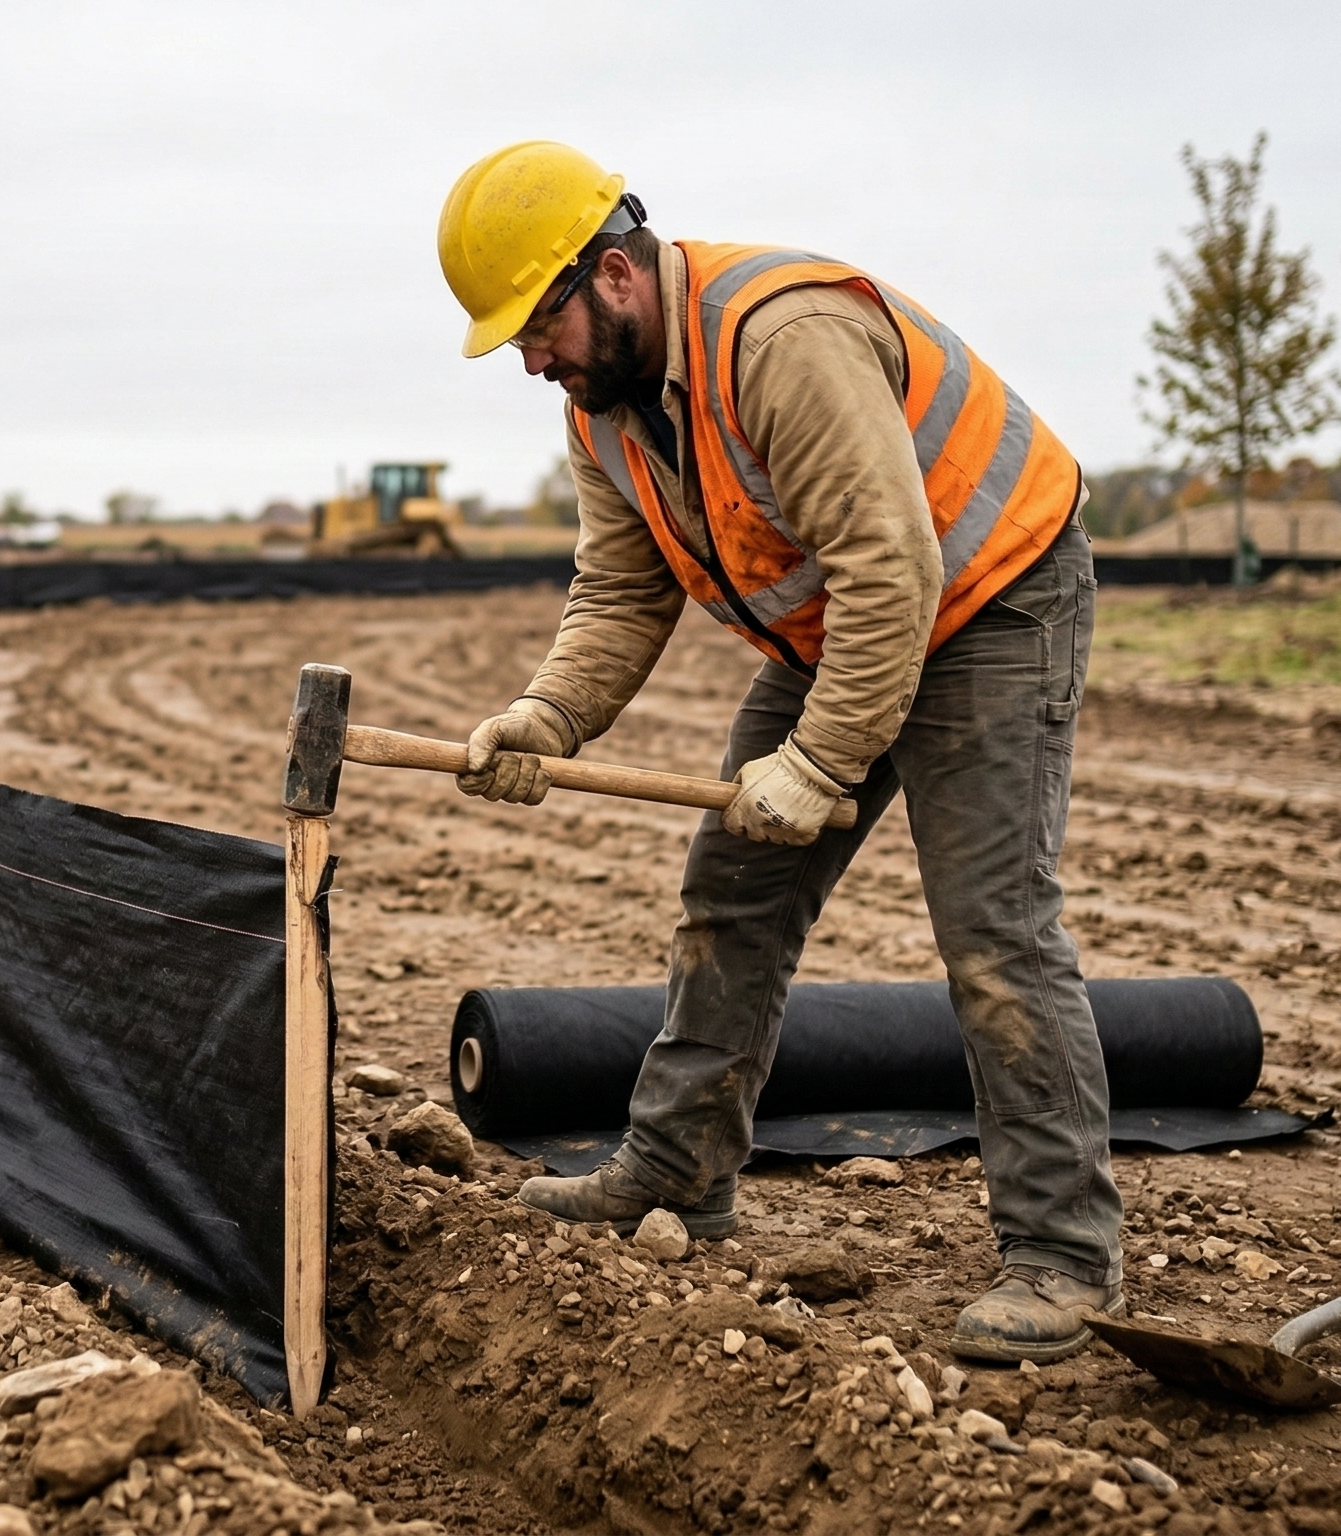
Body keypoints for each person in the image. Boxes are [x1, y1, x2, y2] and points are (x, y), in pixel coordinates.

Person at [434, 142, 1123, 1363]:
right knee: (731, 898)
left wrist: (820, 761)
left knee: (993, 931)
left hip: (993, 600)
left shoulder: (777, 337)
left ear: (612, 275)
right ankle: (672, 1175)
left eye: (534, 327)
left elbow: (890, 565)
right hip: (840, 631)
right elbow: (617, 594)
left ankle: (1062, 1255)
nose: (528, 360)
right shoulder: (603, 415)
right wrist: (544, 718)